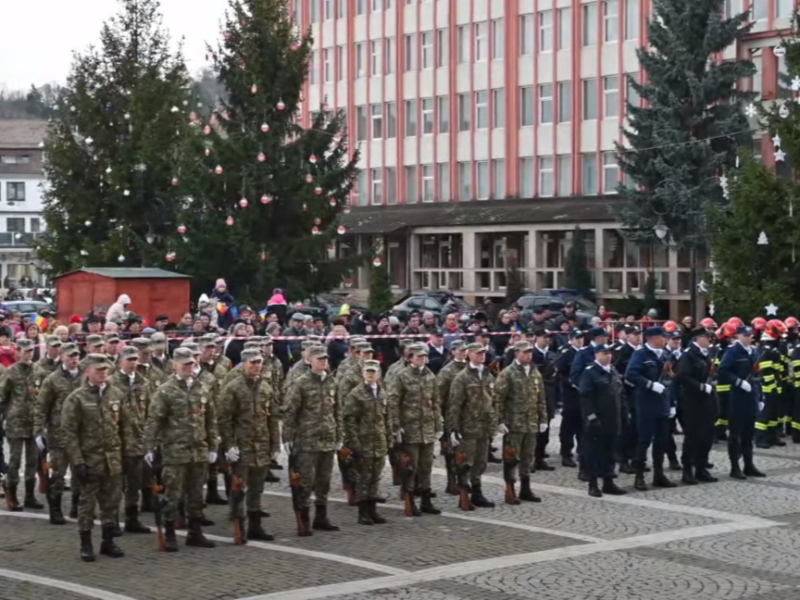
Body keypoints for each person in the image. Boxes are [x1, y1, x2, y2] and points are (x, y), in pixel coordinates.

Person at [143, 348, 219, 552]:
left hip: (198, 450)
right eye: (184, 364)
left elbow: (210, 419)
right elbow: (154, 421)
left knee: (196, 493)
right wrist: (149, 447)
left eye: (191, 363)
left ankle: (195, 533)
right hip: (175, 451)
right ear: (175, 365)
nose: (189, 367)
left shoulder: (201, 388)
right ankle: (170, 533)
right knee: (173, 494)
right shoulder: (165, 390)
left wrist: (213, 445)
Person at [60, 354, 126, 562]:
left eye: (105, 369)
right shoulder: (76, 398)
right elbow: (69, 433)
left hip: (112, 460)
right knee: (87, 505)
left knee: (112, 503)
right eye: (98, 369)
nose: (103, 372)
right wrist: (77, 461)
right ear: (87, 371)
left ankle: (108, 542)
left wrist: (128, 454)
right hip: (89, 460)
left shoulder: (116, 394)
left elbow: (124, 427)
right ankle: (86, 544)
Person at [218, 348, 280, 542]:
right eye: (252, 362)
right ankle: (238, 524)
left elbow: (272, 419)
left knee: (257, 488)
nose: (256, 365)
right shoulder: (233, 388)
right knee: (238, 487)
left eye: (259, 362)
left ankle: (255, 526)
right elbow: (224, 419)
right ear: (243, 364)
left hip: (261, 446)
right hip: (241, 446)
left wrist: (275, 445)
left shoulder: (265, 387)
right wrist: (228, 445)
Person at [282, 346, 342, 536]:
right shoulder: (301, 383)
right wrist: (287, 437)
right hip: (307, 440)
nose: (323, 362)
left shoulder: (332, 382)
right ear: (310, 361)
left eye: (325, 358)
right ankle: (304, 519)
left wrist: (339, 436)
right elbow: (291, 412)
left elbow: (338, 411)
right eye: (319, 359)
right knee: (306, 482)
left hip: (327, 439)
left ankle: (321, 516)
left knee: (324, 480)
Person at [387, 343, 442, 517]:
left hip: (427, 428)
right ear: (410, 358)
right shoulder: (402, 376)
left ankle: (426, 499)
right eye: (418, 357)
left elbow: (435, 402)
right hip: (410, 429)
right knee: (411, 467)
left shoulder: (430, 376)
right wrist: (396, 427)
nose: (422, 359)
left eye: (424, 357)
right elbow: (394, 403)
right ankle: (410, 499)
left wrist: (438, 425)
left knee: (426, 467)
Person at [34, 342, 83, 524]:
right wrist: (39, 431)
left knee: (80, 473)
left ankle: (77, 507)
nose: (74, 359)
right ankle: (55, 510)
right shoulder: (52, 379)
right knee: (58, 475)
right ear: (62, 357)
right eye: (70, 356)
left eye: (76, 355)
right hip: (58, 434)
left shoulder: (85, 377)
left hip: (80, 435)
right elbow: (41, 407)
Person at [495, 340, 545, 504]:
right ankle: (510, 489)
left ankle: (525, 488)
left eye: (530, 352)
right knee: (511, 458)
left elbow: (540, 398)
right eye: (524, 352)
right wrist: (499, 420)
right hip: (514, 424)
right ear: (516, 353)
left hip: (530, 422)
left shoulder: (534, 372)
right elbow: (499, 399)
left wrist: (543, 418)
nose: (528, 355)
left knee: (528, 457)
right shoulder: (507, 373)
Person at [447, 343, 496, 510]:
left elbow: (492, 401)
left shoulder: (488, 375)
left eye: (483, 353)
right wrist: (453, 429)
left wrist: (494, 423)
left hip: (484, 427)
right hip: (468, 427)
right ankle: (463, 493)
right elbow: (455, 405)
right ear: (469, 355)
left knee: (481, 462)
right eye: (478, 353)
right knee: (465, 463)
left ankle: (477, 492)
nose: (481, 356)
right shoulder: (462, 377)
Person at [626, 326, 675, 491]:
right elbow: (631, 374)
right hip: (646, 404)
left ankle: (658, 474)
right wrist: (650, 385)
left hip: (663, 404)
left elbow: (670, 380)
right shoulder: (640, 354)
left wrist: (672, 403)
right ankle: (639, 476)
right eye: (663, 337)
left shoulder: (666, 355)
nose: (665, 340)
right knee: (644, 441)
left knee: (661, 442)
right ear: (653, 338)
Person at [343, 359, 391, 525]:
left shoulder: (382, 392)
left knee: (375, 478)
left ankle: (372, 510)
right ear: (363, 373)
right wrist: (354, 443)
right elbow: (349, 420)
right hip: (363, 443)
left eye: (373, 371)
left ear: (378, 374)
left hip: (379, 442)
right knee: (364, 478)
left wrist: (389, 438)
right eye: (367, 371)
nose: (370, 374)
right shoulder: (356, 394)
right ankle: (363, 512)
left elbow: (387, 418)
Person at [111, 346, 152, 535]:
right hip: (116, 442)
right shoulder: (111, 383)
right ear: (121, 361)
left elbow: (150, 412)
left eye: (135, 359)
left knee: (135, 483)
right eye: (129, 359)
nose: (133, 363)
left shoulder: (144, 383)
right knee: (115, 483)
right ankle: (111, 520)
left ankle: (131, 518)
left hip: (137, 441)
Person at [579, 344, 627, 498]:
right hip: (598, 420)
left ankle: (608, 482)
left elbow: (620, 393)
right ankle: (593, 484)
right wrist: (592, 417)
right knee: (594, 453)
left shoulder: (612, 371)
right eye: (604, 353)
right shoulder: (590, 373)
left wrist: (625, 413)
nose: (608, 356)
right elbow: (586, 398)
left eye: (610, 353)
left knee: (610, 452)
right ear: (596, 355)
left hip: (613, 419)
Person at [719, 325, 766, 480]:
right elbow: (723, 371)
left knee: (748, 434)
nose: (748, 337)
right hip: (737, 397)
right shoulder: (732, 352)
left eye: (749, 335)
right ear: (737, 336)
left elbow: (757, 374)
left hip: (751, 396)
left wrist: (760, 398)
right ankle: (735, 467)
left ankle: (749, 464)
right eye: (744, 335)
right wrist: (738, 382)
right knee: (735, 434)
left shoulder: (754, 352)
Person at [0, 338, 41, 510]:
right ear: (18, 352)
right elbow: (3, 396)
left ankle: (30, 496)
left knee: (32, 460)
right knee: (15, 462)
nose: (28, 354)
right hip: (16, 423)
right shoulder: (10, 372)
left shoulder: (38, 370)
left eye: (30, 351)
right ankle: (13, 495)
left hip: (33, 423)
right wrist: (5, 416)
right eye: (25, 351)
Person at [675, 327, 717, 485]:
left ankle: (701, 468)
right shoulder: (689, 355)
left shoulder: (707, 354)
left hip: (707, 401)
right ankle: (687, 471)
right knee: (692, 437)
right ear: (697, 339)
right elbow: (683, 376)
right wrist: (700, 386)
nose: (709, 339)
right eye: (706, 337)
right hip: (692, 401)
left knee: (706, 436)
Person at [435, 340, 467, 495]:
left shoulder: (470, 368)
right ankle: (451, 481)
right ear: (453, 351)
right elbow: (438, 397)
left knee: (466, 452)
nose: (463, 353)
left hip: (468, 417)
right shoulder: (447, 372)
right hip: (451, 416)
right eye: (459, 350)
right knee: (452, 453)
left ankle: (464, 480)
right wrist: (441, 420)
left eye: (464, 350)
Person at [556, 329, 585, 470]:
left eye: (581, 338)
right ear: (571, 339)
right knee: (569, 426)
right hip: (570, 394)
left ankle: (582, 451)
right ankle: (566, 453)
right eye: (577, 338)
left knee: (582, 424)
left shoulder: (585, 353)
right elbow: (560, 372)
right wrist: (571, 382)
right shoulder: (567, 353)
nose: (580, 340)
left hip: (583, 394)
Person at [530, 328, 557, 472]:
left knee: (544, 429)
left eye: (549, 337)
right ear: (536, 338)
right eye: (544, 337)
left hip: (549, 395)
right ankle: (531, 459)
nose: (547, 340)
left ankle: (540, 458)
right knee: (533, 430)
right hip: (534, 396)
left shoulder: (552, 355)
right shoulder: (531, 355)